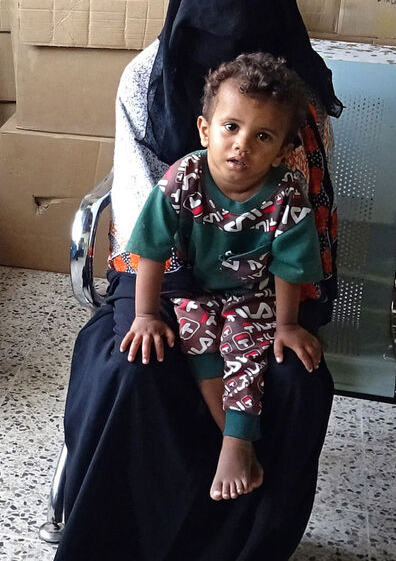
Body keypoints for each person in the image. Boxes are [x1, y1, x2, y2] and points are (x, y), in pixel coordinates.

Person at [56, 0, 342, 561]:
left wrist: (279, 312)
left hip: (269, 281)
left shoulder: (302, 92)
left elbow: (306, 217)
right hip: (161, 273)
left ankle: (245, 545)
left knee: (295, 381)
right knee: (137, 367)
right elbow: (139, 219)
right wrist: (165, 309)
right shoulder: (144, 79)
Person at [123, 53, 325, 503]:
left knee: (244, 341)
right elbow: (152, 248)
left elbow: (289, 268)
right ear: (204, 130)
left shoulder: (287, 195)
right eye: (231, 127)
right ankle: (234, 439)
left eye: (263, 136)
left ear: (281, 151)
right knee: (195, 335)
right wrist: (144, 315)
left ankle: (237, 443)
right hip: (193, 289)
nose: (242, 145)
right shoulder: (184, 177)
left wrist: (288, 325)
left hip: (254, 296)